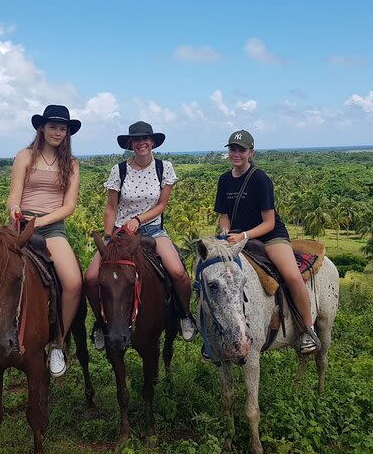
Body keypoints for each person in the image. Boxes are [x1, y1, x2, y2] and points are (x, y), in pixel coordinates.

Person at [0, 104, 83, 377]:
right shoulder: (25, 156)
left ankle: (57, 343)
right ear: (41, 128)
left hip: (51, 229)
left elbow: (69, 206)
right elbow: (14, 195)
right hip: (16, 226)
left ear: (67, 133)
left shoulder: (71, 164)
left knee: (73, 283)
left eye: (63, 128)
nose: (58, 132)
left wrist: (40, 222)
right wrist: (14, 209)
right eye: (53, 126)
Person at [84, 121, 196, 348]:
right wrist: (108, 237)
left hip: (153, 230)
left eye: (146, 139)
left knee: (178, 272)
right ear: (130, 144)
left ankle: (185, 314)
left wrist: (138, 220)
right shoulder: (119, 170)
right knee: (91, 278)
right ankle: (100, 324)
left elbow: (162, 204)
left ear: (152, 142)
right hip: (120, 234)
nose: (141, 143)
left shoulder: (164, 168)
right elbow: (111, 207)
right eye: (137, 139)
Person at [214, 129, 321, 354]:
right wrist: (225, 232)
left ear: (251, 152)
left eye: (241, 150)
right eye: (233, 149)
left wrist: (244, 236)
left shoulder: (260, 179)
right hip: (236, 236)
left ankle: (308, 329)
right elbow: (224, 214)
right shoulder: (224, 180)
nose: (236, 154)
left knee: (292, 276)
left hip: (270, 236)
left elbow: (269, 222)